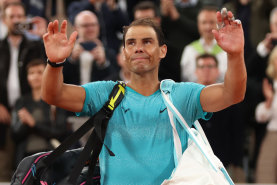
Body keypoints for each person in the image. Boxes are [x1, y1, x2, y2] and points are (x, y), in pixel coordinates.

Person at [41, 8, 246, 184]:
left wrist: (235, 55)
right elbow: (54, 95)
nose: (138, 47)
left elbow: (232, 93)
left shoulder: (181, 94)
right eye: (130, 43)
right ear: (123, 53)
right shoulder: (106, 93)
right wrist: (54, 63)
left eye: (147, 42)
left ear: (162, 51)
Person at [0, 1, 46, 180]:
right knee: (3, 169)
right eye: (12, 16)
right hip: (3, 117)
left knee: (28, 172)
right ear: (4, 20)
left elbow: (49, 70)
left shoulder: (34, 46)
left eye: (20, 16)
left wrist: (43, 37)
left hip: (30, 114)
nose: (16, 20)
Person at [196, 53, 246, 182]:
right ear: (196, 71)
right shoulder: (187, 99)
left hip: (225, 162)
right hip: (194, 162)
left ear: (217, 71)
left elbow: (237, 132)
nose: (206, 70)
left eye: (210, 66)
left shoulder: (229, 99)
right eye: (202, 67)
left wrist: (237, 162)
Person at [10, 59, 68, 167]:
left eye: (40, 72)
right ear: (27, 77)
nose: (35, 76)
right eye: (31, 73)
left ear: (47, 75)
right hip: (24, 158)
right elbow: (14, 134)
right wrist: (24, 123)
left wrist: (34, 124)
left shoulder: (55, 100)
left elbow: (60, 131)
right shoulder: (21, 102)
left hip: (49, 156)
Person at [63, 10, 116, 85]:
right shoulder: (66, 53)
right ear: (75, 28)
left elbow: (115, 82)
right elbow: (59, 81)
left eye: (93, 25)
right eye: (86, 25)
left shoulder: (110, 53)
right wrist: (72, 60)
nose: (90, 29)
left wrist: (103, 63)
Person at [180, 6, 227, 82]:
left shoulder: (226, 50)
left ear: (219, 24)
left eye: (212, 22)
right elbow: (185, 79)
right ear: (198, 24)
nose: (208, 27)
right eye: (204, 22)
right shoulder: (189, 50)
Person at [255, 46, 277, 183]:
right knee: (265, 175)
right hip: (272, 133)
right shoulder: (265, 83)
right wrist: (268, 101)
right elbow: (259, 117)